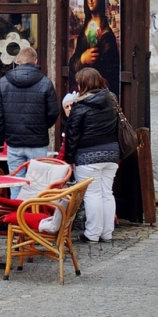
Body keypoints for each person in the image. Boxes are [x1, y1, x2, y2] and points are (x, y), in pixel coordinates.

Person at [0, 45, 59, 197]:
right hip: (37, 141)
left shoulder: (3, 82)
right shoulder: (45, 82)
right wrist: (42, 127)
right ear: (35, 61)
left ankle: (17, 212)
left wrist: (6, 134)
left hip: (14, 141)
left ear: (18, 60)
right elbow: (53, 112)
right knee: (38, 185)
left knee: (16, 184)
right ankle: (35, 212)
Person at [65, 68, 120, 243]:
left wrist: (69, 157)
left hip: (88, 155)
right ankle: (107, 233)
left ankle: (92, 234)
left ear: (83, 84)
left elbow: (72, 134)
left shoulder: (80, 104)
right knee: (107, 193)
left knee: (92, 194)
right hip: (111, 152)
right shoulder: (111, 99)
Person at [68, 0, 120, 80]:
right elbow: (72, 64)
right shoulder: (84, 30)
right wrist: (83, 59)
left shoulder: (107, 36)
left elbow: (111, 73)